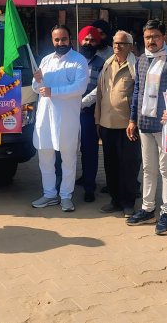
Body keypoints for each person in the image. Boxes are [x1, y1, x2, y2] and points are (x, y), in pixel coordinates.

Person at [126, 19, 167, 234]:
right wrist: (132, 119)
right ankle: (147, 209)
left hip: (164, 124)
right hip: (144, 122)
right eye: (148, 37)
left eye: (155, 37)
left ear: (163, 38)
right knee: (148, 169)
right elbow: (137, 92)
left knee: (166, 170)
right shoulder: (142, 60)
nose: (151, 41)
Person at [31, 24, 89, 213]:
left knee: (68, 159)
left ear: (70, 39)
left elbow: (80, 88)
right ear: (52, 40)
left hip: (67, 120)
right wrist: (37, 79)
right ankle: (49, 194)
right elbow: (35, 88)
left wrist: (52, 91)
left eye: (64, 39)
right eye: (57, 40)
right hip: (45, 119)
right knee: (45, 158)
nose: (60, 43)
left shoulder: (79, 61)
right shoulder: (46, 60)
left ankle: (65, 196)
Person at [95, 30, 140, 217]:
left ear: (130, 46)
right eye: (114, 43)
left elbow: (140, 95)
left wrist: (135, 120)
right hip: (107, 124)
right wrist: (98, 120)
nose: (117, 46)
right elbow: (99, 94)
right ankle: (115, 200)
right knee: (110, 165)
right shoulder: (107, 63)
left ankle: (128, 202)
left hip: (127, 126)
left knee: (128, 165)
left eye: (121, 43)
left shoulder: (136, 65)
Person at [77, 26, 106, 202]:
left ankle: (89, 186)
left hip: (88, 112)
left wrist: (81, 103)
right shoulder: (73, 61)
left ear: (97, 42)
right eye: (86, 39)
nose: (88, 43)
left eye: (92, 40)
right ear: (80, 41)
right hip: (68, 112)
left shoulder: (102, 63)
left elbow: (99, 89)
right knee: (67, 148)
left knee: (89, 149)